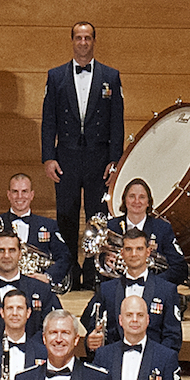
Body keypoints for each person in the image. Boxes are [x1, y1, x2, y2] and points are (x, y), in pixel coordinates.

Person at [42, 20, 124, 271]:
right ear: (72, 41)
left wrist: (115, 161)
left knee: (97, 216)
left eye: (88, 38)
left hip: (98, 158)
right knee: (66, 215)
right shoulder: (55, 76)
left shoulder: (111, 76)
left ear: (94, 42)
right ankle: (67, 270)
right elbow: (48, 120)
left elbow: (116, 122)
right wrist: (48, 157)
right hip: (65, 155)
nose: (83, 43)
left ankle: (93, 272)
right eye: (78, 38)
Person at [83, 229, 179, 352]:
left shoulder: (167, 290)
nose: (134, 254)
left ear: (148, 252)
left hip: (153, 366)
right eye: (129, 249)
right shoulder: (106, 290)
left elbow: (173, 337)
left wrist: (156, 362)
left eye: (139, 249)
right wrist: (90, 341)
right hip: (114, 365)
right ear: (122, 253)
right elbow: (91, 326)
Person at [0, 172, 71, 288]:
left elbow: (64, 257)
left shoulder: (49, 225)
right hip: (0, 286)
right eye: (15, 191)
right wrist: (2, 273)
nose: (20, 196)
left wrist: (48, 276)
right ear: (8, 195)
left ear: (32, 195)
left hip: (37, 288)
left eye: (24, 191)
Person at [115, 178, 186, 286]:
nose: (136, 201)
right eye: (132, 196)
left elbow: (180, 268)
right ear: (124, 200)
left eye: (142, 197)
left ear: (148, 202)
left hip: (154, 291)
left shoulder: (162, 228)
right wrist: (107, 263)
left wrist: (151, 283)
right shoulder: (112, 226)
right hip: (118, 289)